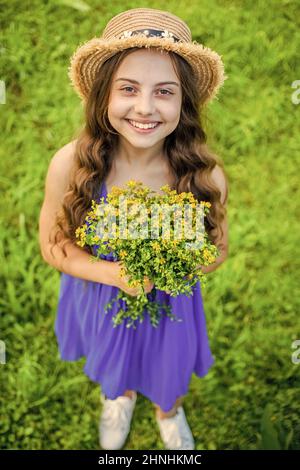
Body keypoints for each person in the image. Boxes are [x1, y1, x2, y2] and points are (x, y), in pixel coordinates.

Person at [39, 7, 229, 450]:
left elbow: (218, 250)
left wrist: (174, 264)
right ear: (104, 94)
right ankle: (119, 397)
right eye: (128, 89)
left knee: (171, 363)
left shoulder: (204, 176)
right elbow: (53, 245)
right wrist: (115, 275)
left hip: (171, 299)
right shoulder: (71, 165)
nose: (145, 107)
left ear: (185, 104)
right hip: (101, 292)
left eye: (165, 92)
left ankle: (169, 409)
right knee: (112, 360)